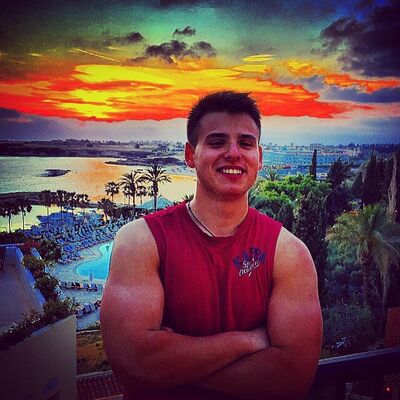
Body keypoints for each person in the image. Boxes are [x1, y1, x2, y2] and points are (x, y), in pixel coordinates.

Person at [101, 91, 323, 400]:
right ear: (190, 154)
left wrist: (170, 367)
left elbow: (293, 378)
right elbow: (134, 363)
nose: (233, 153)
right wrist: (248, 341)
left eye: (245, 143)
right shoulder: (141, 241)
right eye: (217, 142)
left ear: (259, 157)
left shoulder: (288, 253)